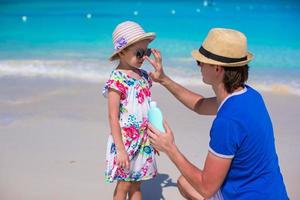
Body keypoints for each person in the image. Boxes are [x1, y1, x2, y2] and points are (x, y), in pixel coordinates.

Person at [145, 28, 289, 200]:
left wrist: (170, 148)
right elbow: (200, 106)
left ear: (217, 68)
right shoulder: (251, 96)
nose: (198, 65)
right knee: (185, 182)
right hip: (275, 194)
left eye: (201, 61)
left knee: (189, 184)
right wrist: (164, 80)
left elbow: (206, 188)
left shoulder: (228, 121)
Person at [102, 21, 158, 200]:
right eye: (139, 53)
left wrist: (155, 135)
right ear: (122, 52)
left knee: (137, 184)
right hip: (125, 141)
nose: (143, 57)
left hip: (143, 139)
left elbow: (148, 107)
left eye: (146, 52)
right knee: (124, 185)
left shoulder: (143, 76)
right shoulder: (117, 79)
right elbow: (112, 117)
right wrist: (120, 149)